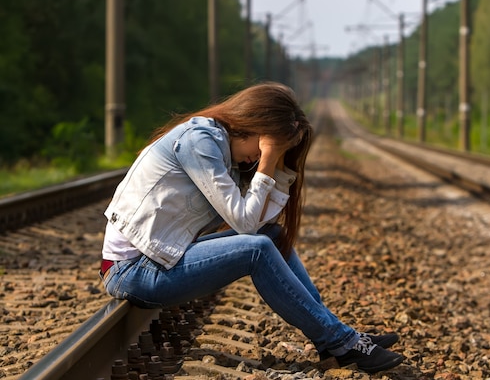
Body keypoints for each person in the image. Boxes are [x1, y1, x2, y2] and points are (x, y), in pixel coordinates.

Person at [99, 82, 404, 373]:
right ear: (253, 124)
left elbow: (259, 222)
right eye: (264, 146)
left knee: (273, 235)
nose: (258, 157)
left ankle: (333, 336)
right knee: (256, 249)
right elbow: (244, 224)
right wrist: (268, 160)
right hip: (132, 271)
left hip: (158, 261)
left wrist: (278, 162)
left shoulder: (221, 148)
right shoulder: (200, 142)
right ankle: (339, 340)